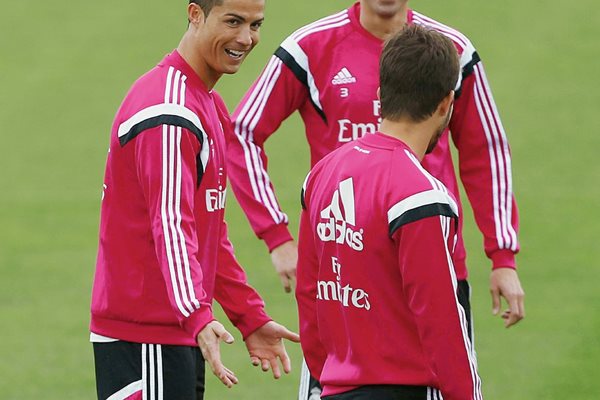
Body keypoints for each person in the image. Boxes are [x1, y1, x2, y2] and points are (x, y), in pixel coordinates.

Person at [226, 1, 524, 397]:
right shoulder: (308, 47)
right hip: (346, 262)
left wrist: (502, 254)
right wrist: (276, 236)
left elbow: (485, 148)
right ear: (443, 107)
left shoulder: (454, 51)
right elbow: (241, 133)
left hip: (418, 258)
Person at [89, 1, 300, 399]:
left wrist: (248, 316)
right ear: (195, 14)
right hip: (146, 338)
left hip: (173, 335)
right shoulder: (170, 111)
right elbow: (171, 223)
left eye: (255, 25)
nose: (246, 38)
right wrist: (197, 313)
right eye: (233, 22)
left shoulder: (204, 103)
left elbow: (209, 231)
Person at [297, 24, 481, 400]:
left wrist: (330, 377)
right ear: (447, 103)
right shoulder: (422, 196)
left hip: (334, 388)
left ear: (380, 95)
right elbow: (443, 324)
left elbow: (309, 292)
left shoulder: (323, 173)